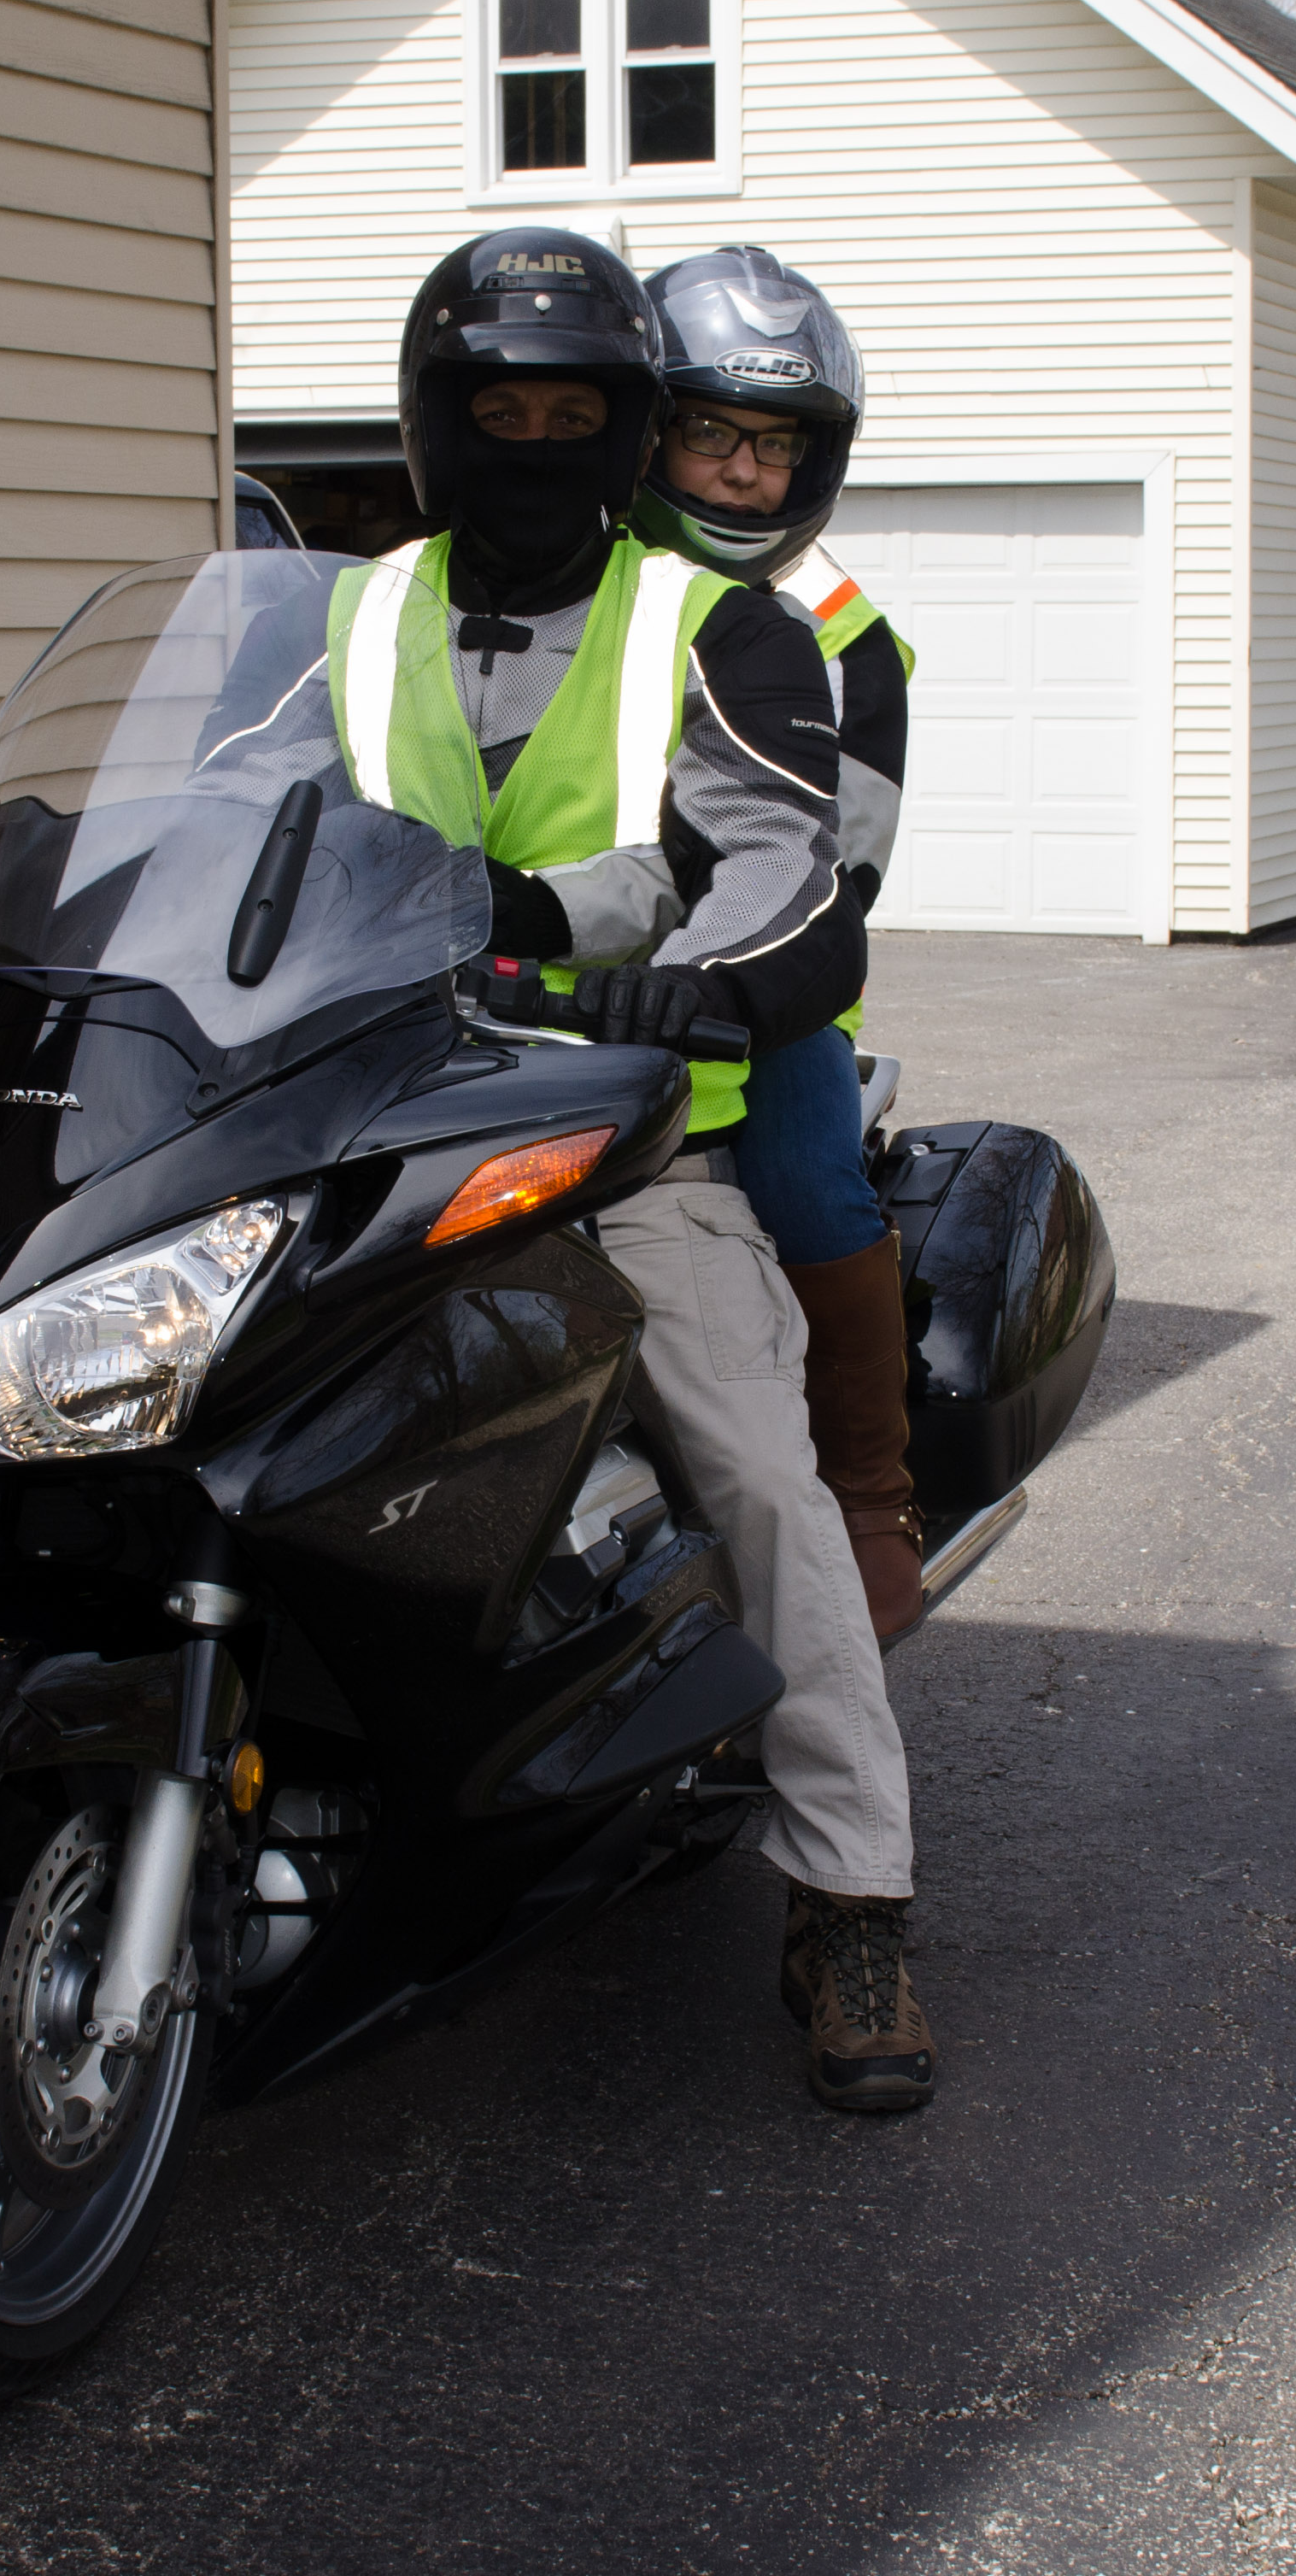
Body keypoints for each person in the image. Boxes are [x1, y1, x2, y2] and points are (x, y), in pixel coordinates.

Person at [324, 226, 935, 2115]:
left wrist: (718, 977)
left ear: (623, 428)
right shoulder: (339, 611)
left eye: (569, 411)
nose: (528, 441)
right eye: (493, 408)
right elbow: (204, 806)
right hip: (358, 1112)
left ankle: (851, 1898)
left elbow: (781, 859)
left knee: (756, 1469)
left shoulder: (721, 628)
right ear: (434, 425)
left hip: (619, 1128)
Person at [625, 248, 923, 1643]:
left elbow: (836, 879)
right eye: (714, 432)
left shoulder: (848, 638)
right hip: (554, 972)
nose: (746, 475)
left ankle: (871, 1490)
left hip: (756, 985)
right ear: (652, 422)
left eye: (778, 444)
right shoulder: (582, 583)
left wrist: (716, 970)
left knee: (804, 1169)